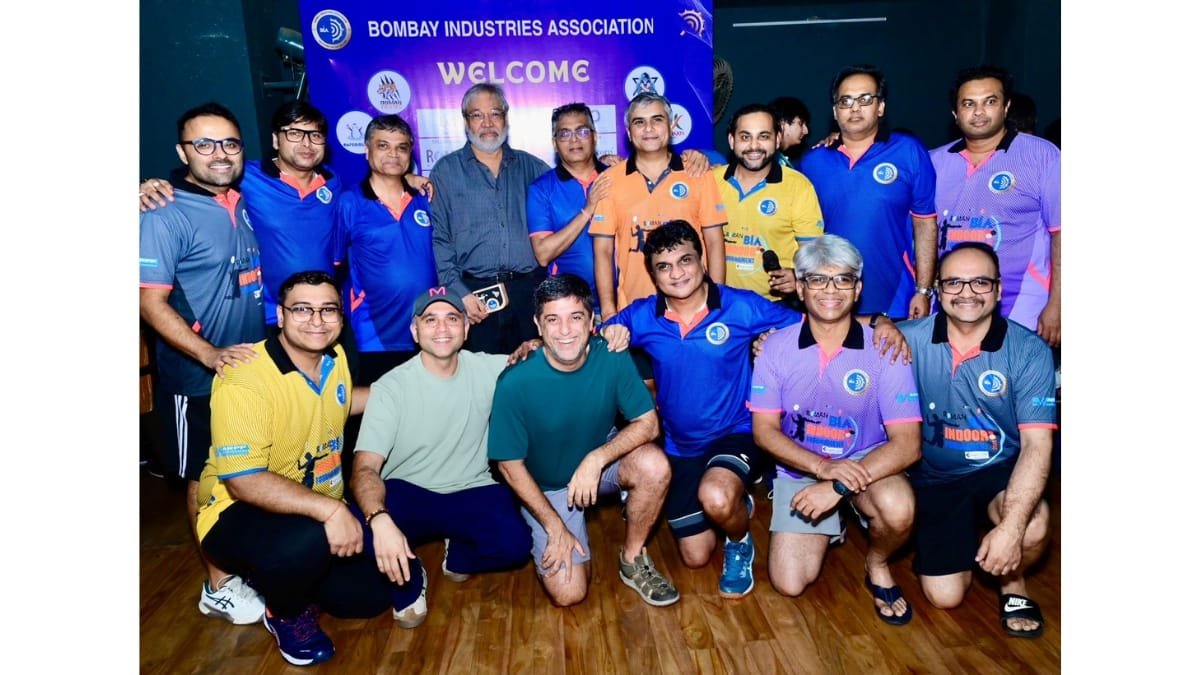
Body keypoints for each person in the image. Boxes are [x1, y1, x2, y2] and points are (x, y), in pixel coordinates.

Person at [196, 270, 423, 667]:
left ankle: (288, 579)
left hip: (313, 510)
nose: (317, 320)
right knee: (304, 542)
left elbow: (340, 403)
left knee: (368, 598)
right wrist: (331, 511)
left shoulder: (334, 359)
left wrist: (412, 393)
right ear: (281, 316)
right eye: (302, 309)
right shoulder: (245, 377)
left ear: (340, 317)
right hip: (236, 512)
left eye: (328, 310)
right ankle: (283, 611)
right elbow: (244, 482)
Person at [601, 221, 802, 598]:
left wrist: (879, 324)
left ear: (702, 261)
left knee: (716, 497)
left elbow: (813, 327)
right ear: (653, 275)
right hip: (680, 446)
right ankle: (734, 499)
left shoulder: (740, 306)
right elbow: (590, 340)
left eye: (685, 260)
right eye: (664, 266)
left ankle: (739, 540)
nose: (677, 273)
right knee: (695, 556)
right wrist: (606, 332)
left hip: (737, 431)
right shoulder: (642, 315)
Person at [749, 234, 922, 626]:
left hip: (866, 462)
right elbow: (764, 432)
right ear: (800, 286)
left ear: (857, 289)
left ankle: (877, 563)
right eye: (817, 279)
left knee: (898, 508)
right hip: (804, 466)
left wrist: (836, 486)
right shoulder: (774, 347)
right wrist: (823, 469)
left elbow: (908, 445)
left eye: (842, 279)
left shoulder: (886, 347)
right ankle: (837, 522)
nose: (830, 290)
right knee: (789, 583)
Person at [139, 101, 267, 625]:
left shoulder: (239, 198)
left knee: (244, 470)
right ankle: (218, 584)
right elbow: (149, 302)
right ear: (182, 152)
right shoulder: (162, 211)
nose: (220, 154)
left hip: (248, 371)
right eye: (205, 144)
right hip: (195, 377)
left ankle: (246, 562)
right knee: (201, 479)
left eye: (230, 143)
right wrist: (209, 354)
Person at [139, 101, 434, 327]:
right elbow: (201, 179)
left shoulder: (333, 183)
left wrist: (406, 178)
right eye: (294, 133)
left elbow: (376, 187)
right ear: (276, 140)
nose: (306, 143)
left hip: (323, 316)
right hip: (270, 317)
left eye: (315, 135)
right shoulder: (246, 177)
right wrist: (149, 185)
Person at [488, 274, 678, 608]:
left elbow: (649, 425)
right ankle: (545, 524)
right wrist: (555, 526)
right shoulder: (515, 382)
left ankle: (632, 559)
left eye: (575, 317)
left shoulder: (612, 356)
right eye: (553, 319)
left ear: (592, 322)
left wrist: (596, 459)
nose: (565, 330)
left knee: (654, 465)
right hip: (548, 487)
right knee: (569, 593)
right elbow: (509, 465)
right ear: (538, 325)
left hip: (596, 466)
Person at [897, 243, 1056, 639]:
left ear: (998, 290)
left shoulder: (1029, 350)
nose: (967, 293)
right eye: (954, 283)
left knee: (1032, 525)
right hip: (933, 477)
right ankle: (970, 537)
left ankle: (1012, 582)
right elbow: (844, 330)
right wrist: (882, 321)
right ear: (938, 290)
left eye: (980, 282)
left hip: (998, 469)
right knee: (945, 597)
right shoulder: (907, 337)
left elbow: (1037, 445)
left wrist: (1011, 529)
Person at [348, 287, 532, 623]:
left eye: (452, 318)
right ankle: (411, 576)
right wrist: (379, 518)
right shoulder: (391, 387)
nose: (442, 328)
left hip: (470, 486)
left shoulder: (489, 367)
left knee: (516, 545)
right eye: (430, 320)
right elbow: (365, 469)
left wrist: (535, 345)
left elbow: (544, 362)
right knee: (361, 529)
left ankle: (459, 554)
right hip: (408, 491)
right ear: (414, 331)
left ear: (466, 327)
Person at [929, 65, 1061, 346]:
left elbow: (1061, 232)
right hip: (952, 304)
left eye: (989, 101)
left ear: (1006, 107)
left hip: (1023, 304)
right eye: (968, 104)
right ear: (955, 113)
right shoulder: (934, 163)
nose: (979, 112)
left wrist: (1058, 304)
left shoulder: (1042, 156)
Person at [800, 65, 938, 321]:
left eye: (865, 99)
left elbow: (925, 224)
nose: (854, 108)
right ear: (835, 111)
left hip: (896, 297)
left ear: (880, 107)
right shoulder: (813, 162)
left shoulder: (908, 151)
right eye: (845, 101)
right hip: (830, 297)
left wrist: (923, 290)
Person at [429, 83, 550, 355]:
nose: (487, 123)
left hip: (528, 293)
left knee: (531, 374)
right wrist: (459, 292)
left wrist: (604, 165)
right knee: (481, 377)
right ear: (466, 122)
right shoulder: (446, 171)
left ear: (506, 118)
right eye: (477, 115)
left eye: (495, 114)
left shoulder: (533, 168)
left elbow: (570, 188)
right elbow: (440, 239)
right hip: (474, 297)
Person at [591, 92, 728, 321]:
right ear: (629, 133)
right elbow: (603, 252)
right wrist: (608, 312)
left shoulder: (698, 174)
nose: (648, 128)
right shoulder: (609, 180)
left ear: (671, 126)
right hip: (634, 311)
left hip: (694, 310)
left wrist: (716, 303)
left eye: (657, 119)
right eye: (639, 122)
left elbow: (715, 242)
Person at [334, 114, 439, 384]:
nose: (393, 154)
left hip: (428, 329)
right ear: (367, 151)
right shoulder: (350, 202)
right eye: (383, 146)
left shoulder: (424, 199)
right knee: (381, 405)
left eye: (401, 147)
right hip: (376, 334)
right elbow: (335, 264)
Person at [715, 103, 824, 305]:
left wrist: (798, 275)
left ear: (777, 139)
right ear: (731, 141)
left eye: (763, 136)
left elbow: (814, 252)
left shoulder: (798, 186)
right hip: (720, 304)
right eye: (745, 137)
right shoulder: (710, 182)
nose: (754, 146)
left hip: (776, 307)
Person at [526, 103, 613, 305]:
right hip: (570, 307)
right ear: (555, 143)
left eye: (582, 131)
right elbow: (543, 254)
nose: (574, 140)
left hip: (625, 303)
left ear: (595, 137)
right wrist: (587, 210)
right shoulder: (542, 189)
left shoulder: (616, 177)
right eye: (564, 134)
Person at [767, 96, 812, 168]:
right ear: (782, 122)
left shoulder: (778, 159)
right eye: (800, 123)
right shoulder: (768, 160)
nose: (806, 131)